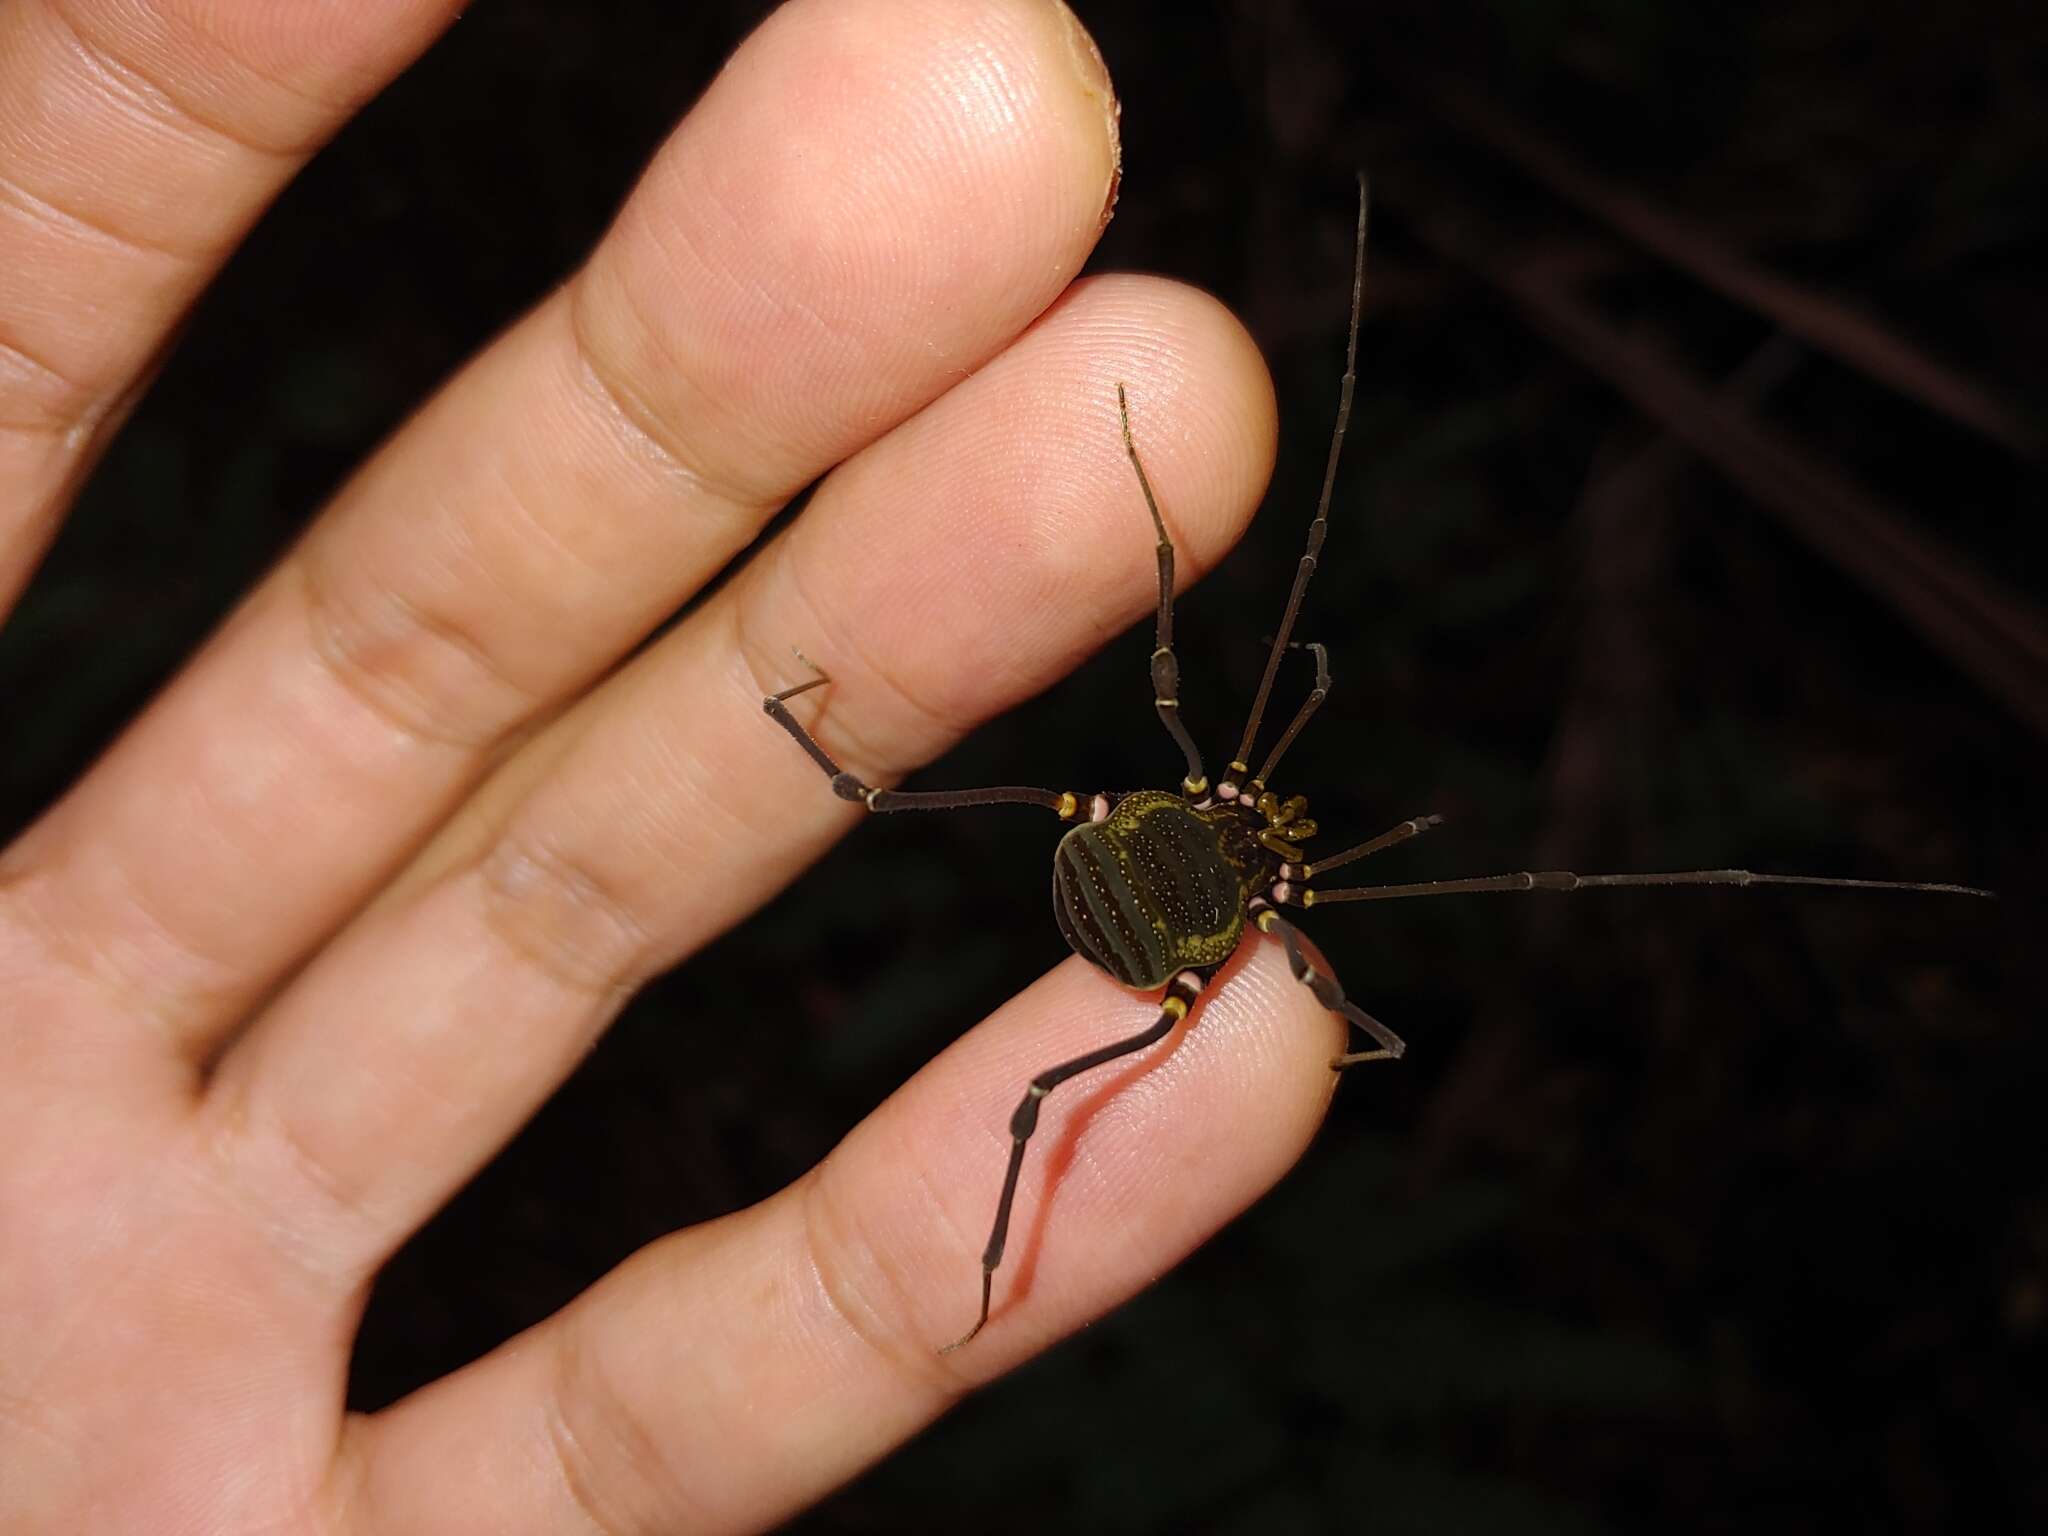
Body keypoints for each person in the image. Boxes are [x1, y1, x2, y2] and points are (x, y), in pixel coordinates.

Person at [0, 1, 1340, 1528]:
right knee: (1099, 861)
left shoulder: (1236, 843)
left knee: (1134, 972)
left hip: (1141, 899)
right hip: (1130, 894)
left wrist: (1318, 993)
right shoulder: (1244, 828)